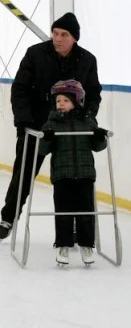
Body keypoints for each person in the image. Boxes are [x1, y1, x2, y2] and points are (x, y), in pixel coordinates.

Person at [0, 12, 102, 240]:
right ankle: (9, 216)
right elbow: (20, 89)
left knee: (72, 180)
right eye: (55, 33)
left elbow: (93, 94)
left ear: (74, 38)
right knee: (22, 175)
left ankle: (74, 227)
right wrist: (23, 122)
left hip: (71, 131)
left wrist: (88, 117)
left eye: (64, 34)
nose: (58, 38)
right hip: (37, 127)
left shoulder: (87, 60)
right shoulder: (35, 54)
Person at [38, 80, 108, 265]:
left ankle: (86, 245)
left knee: (86, 211)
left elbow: (98, 146)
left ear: (77, 101)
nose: (60, 103)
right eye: (58, 100)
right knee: (63, 212)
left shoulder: (87, 121)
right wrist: (47, 137)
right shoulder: (52, 122)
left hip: (85, 173)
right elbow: (42, 150)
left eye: (65, 100)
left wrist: (100, 137)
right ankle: (63, 245)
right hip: (62, 174)